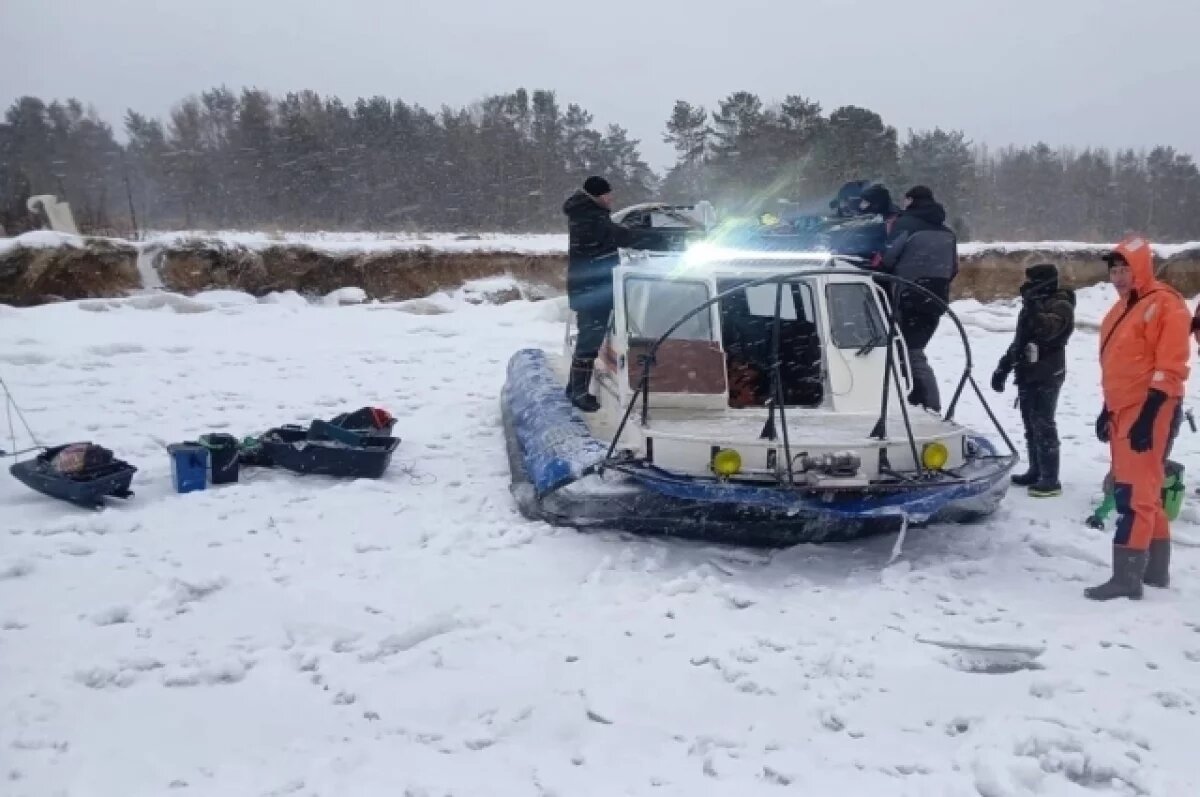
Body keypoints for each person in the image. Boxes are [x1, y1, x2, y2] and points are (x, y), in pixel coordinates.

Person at [1086, 234, 1191, 600]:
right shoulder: (1121, 309)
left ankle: (1126, 578)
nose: (1117, 277)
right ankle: (1154, 571)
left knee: (1133, 492)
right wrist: (1106, 408)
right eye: (1113, 270)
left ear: (1141, 268)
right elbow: (1120, 365)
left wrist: (1148, 416)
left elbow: (1171, 365)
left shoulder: (1165, 304)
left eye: (1124, 269)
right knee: (1146, 490)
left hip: (1151, 409)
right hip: (1122, 409)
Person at [562, 176, 665, 412]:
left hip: (588, 287)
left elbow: (615, 234)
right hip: (592, 289)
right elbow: (621, 237)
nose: (611, 198)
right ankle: (578, 392)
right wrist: (660, 240)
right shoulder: (590, 218)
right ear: (597, 196)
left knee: (590, 337)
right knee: (590, 340)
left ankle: (574, 388)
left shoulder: (586, 214)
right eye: (608, 194)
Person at [990, 263, 1076, 496]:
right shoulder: (1032, 305)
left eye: (1030, 280)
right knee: (1030, 424)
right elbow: (1021, 340)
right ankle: (1035, 470)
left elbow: (1047, 330)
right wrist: (1003, 368)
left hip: (1047, 373)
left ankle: (1050, 478)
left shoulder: (1061, 305)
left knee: (1043, 424)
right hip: (1027, 372)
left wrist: (1033, 305)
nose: (1025, 284)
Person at [881, 185, 959, 413]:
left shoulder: (905, 225)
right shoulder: (947, 232)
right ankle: (918, 401)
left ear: (910, 200)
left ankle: (927, 405)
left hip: (905, 295)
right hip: (935, 299)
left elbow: (888, 258)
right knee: (914, 350)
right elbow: (953, 268)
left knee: (908, 352)